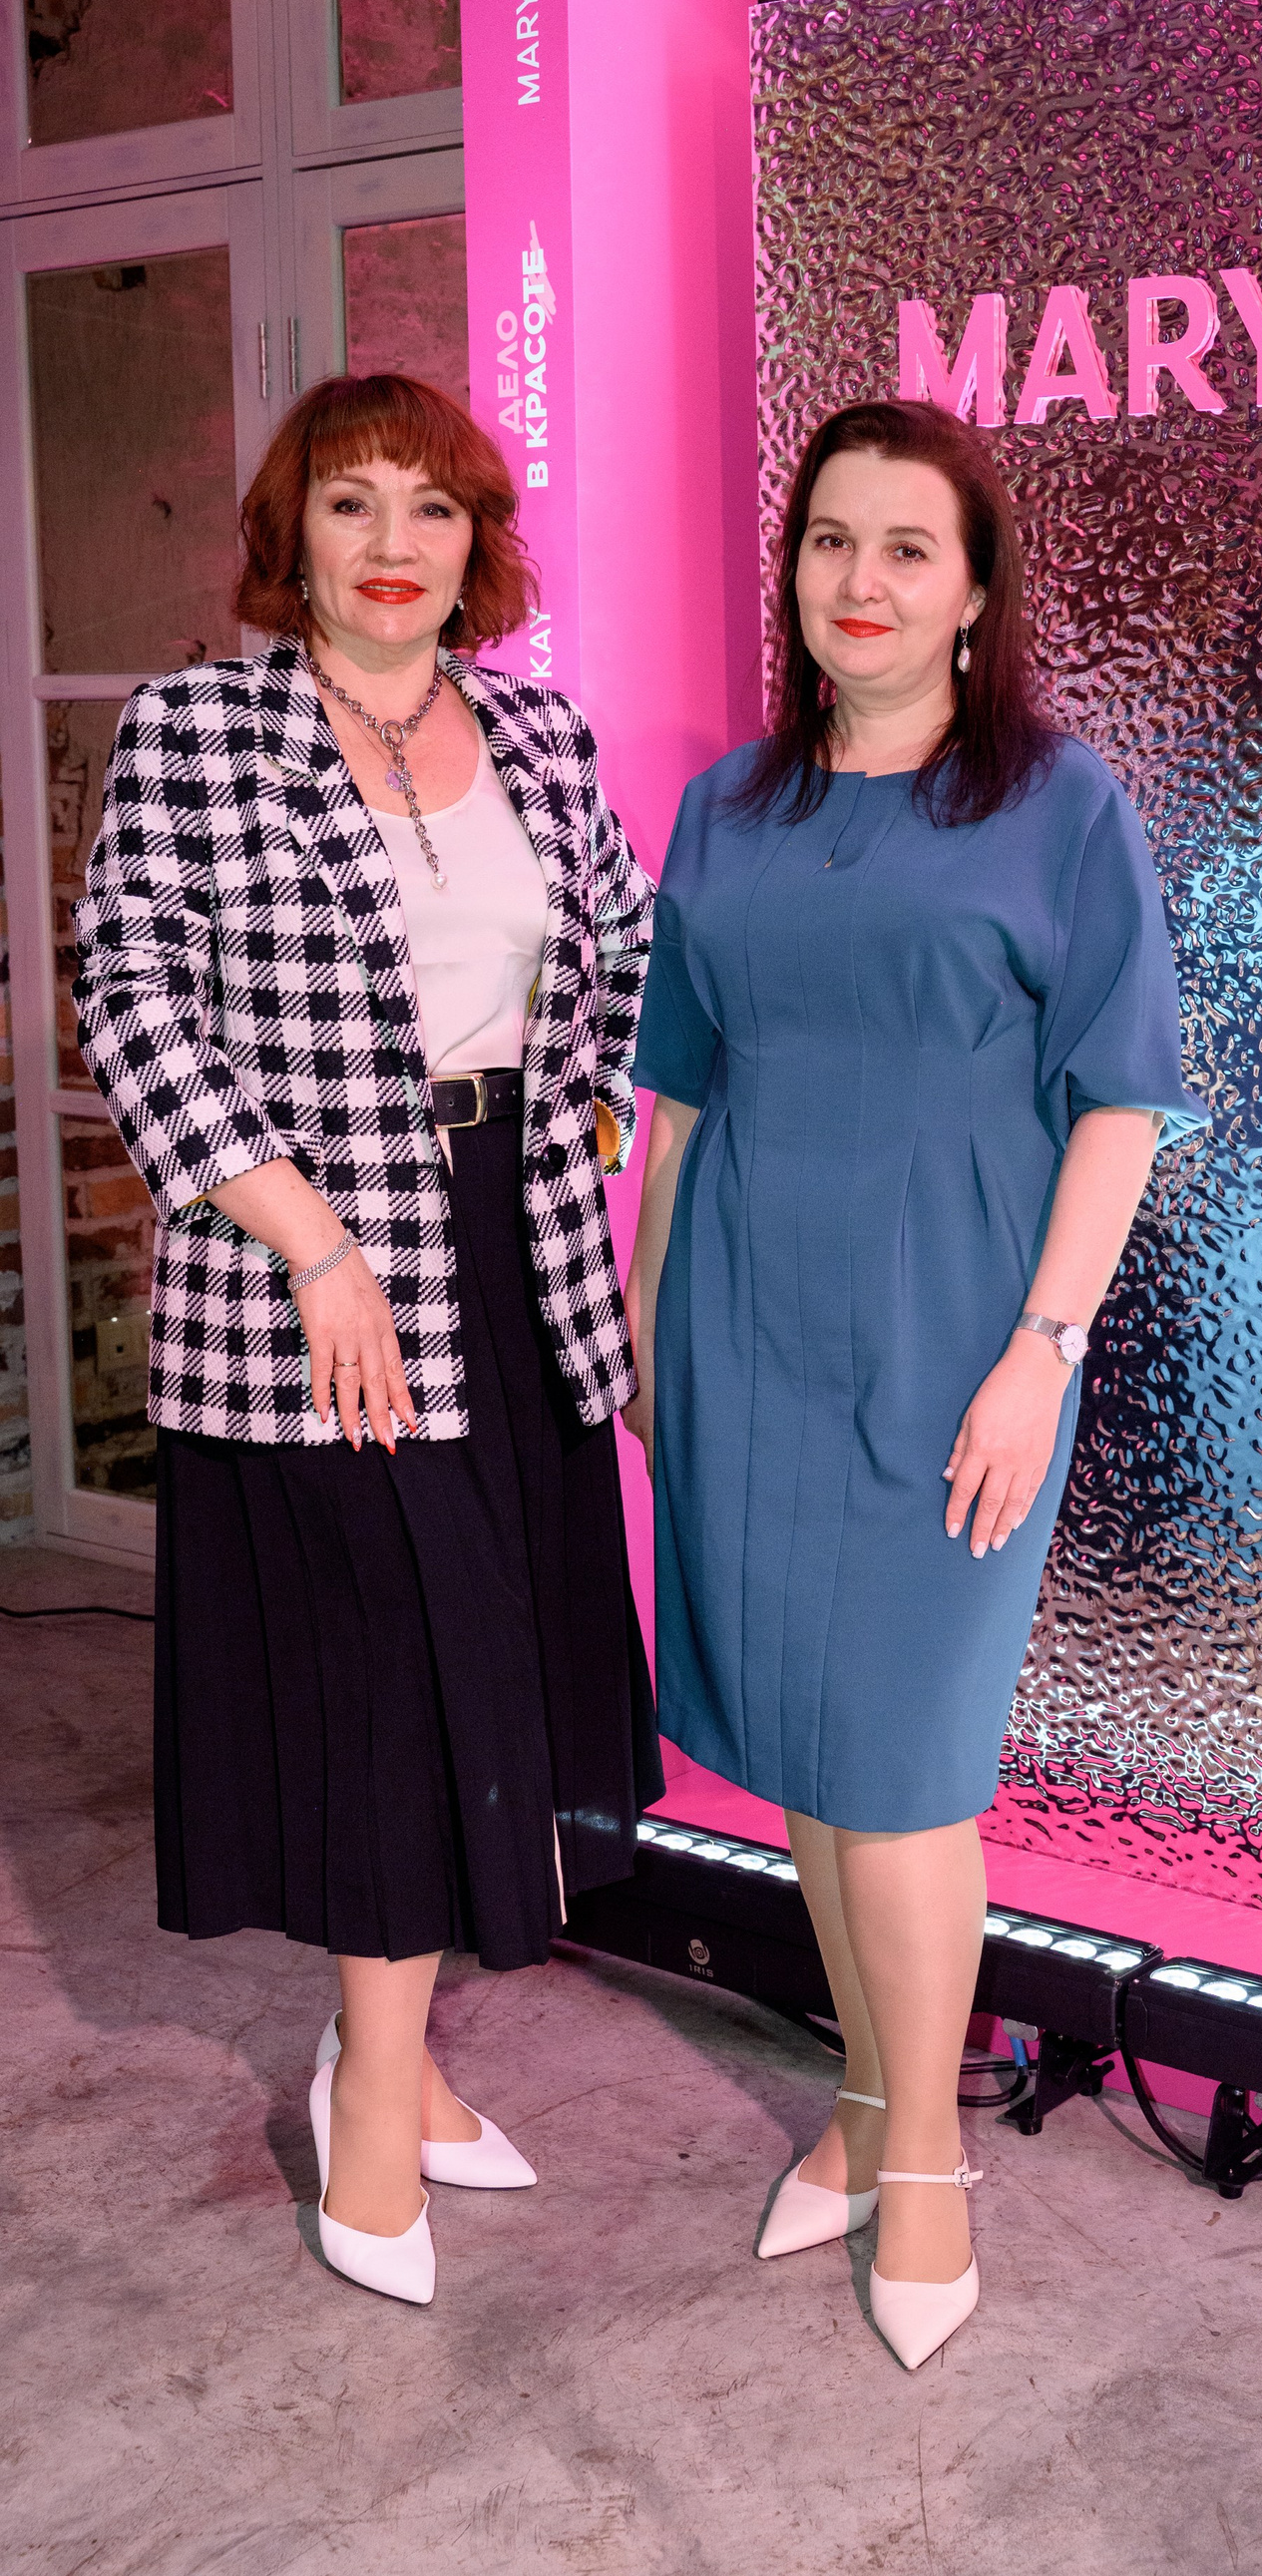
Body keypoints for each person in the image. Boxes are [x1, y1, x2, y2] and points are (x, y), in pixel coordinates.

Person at [624, 398, 1202, 2369]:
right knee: (807, 1753)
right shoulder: (726, 809)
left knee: (904, 1769)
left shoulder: (1058, 807)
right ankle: (868, 2102)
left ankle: (929, 2156)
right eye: (829, 541)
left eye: (904, 548)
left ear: (972, 595)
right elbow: (678, 1094)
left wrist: (1043, 1356)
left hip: (960, 1341)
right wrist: (645, 1320)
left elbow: (1122, 1101)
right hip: (744, 1327)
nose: (856, 581)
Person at [74, 372, 662, 2309]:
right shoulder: (196, 731)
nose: (394, 543)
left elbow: (630, 965)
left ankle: (381, 2067)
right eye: (353, 504)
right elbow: (133, 1001)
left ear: (475, 538)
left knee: (484, 1664)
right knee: (388, 1677)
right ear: (293, 535)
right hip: (304, 1273)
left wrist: (609, 1129)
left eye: (431, 504)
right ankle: (379, 2101)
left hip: (510, 1250)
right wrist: (313, 1241)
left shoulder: (539, 732)